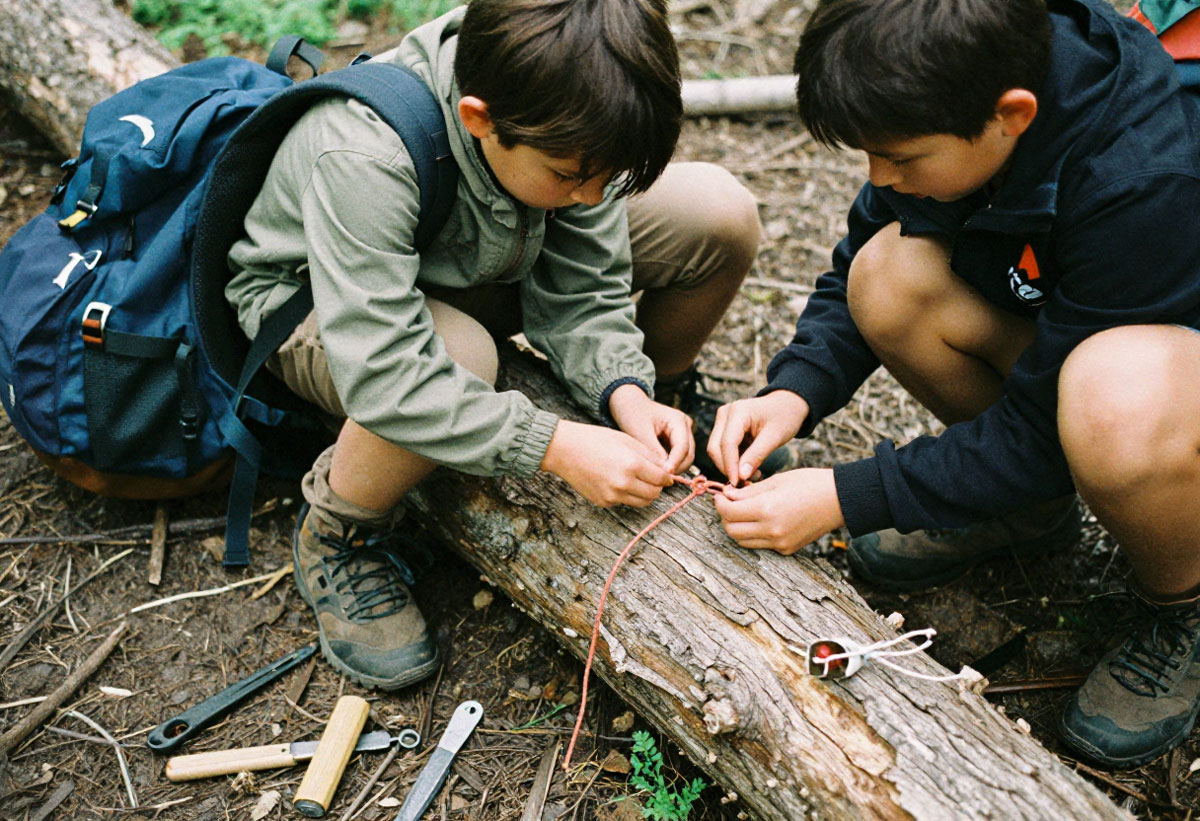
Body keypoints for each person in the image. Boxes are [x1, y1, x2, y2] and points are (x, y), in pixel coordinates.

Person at [706, 0, 1200, 769]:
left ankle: (1184, 603)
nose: (880, 177)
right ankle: (1025, 511)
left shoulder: (1144, 175)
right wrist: (792, 391)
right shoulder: (952, 88)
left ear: (1012, 115)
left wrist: (847, 494)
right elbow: (863, 248)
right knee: (888, 275)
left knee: (1114, 403)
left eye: (901, 158)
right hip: (1082, 341)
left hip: (1165, 381)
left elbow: (1043, 430)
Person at [223, 0, 763, 693]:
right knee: (458, 358)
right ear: (479, 119)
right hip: (316, 302)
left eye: (611, 178)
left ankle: (667, 407)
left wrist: (626, 390)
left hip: (471, 256)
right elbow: (387, 374)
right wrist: (556, 446)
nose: (594, 196)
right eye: (574, 176)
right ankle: (338, 531)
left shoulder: (567, 113)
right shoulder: (365, 152)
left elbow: (587, 289)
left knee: (716, 214)